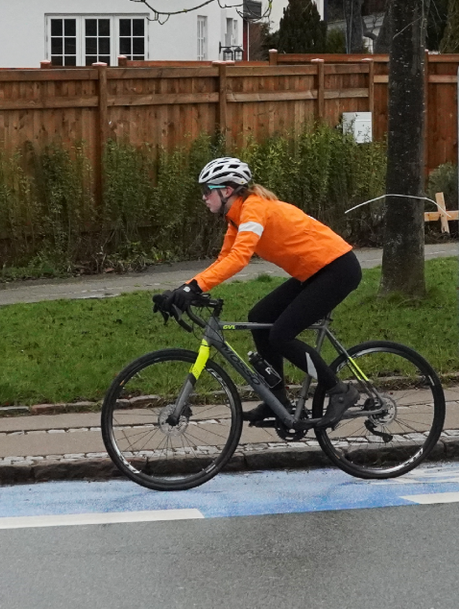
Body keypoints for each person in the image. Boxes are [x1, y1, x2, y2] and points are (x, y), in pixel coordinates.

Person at [155, 156, 362, 419]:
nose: (204, 197)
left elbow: (240, 258)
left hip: (337, 269)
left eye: (207, 191)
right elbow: (224, 259)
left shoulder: (253, 209)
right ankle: (277, 401)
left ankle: (339, 390)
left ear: (226, 190)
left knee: (281, 335)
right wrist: (183, 288)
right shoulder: (236, 217)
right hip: (313, 271)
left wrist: (193, 288)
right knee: (260, 316)